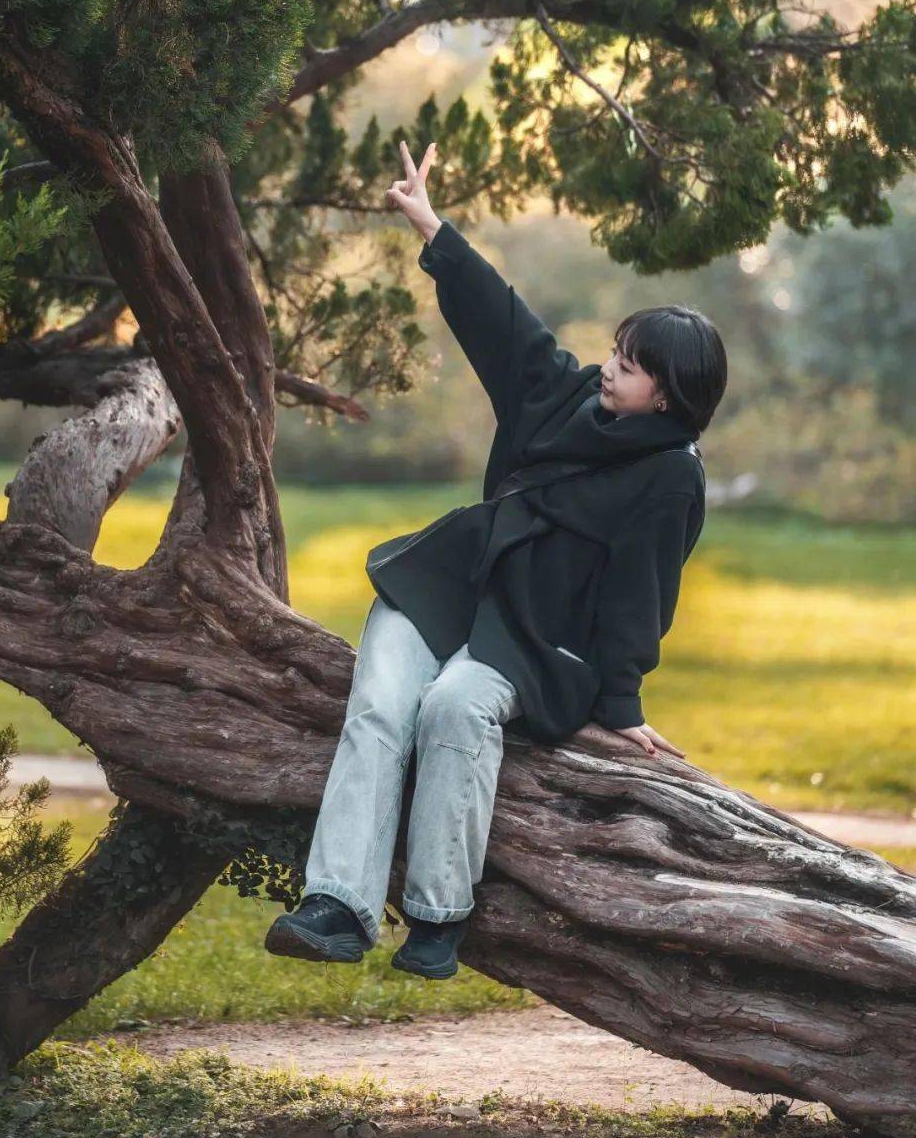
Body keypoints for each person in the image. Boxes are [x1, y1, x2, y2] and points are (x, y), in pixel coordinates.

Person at [265, 139, 727, 979]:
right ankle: (337, 906)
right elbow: (503, 321)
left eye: (626, 365)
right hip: (447, 585)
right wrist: (432, 227)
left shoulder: (670, 479)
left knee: (453, 712)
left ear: (665, 393)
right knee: (378, 704)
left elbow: (641, 597)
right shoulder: (564, 396)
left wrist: (620, 703)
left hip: (528, 639)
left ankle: (439, 920)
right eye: (616, 353)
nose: (608, 368)